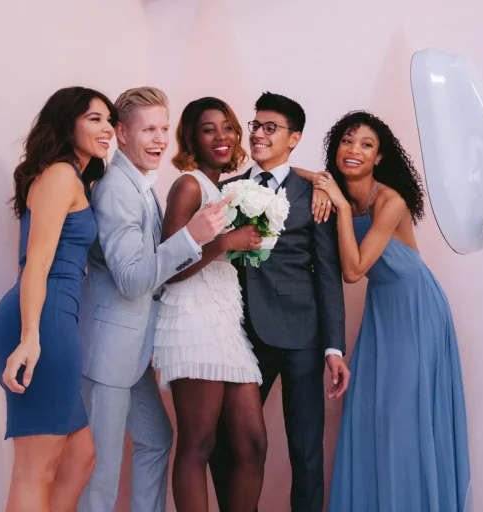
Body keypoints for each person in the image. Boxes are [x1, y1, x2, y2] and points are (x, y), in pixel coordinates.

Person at [312, 110, 472, 512]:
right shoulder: (338, 189)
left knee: (404, 416)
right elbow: (291, 172)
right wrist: (317, 183)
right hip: (382, 309)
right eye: (348, 141)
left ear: (379, 158)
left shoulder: (391, 201)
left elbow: (353, 271)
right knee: (372, 412)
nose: (355, 150)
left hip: (416, 308)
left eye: (367, 145)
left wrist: (343, 210)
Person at [77, 87, 228, 512]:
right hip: (107, 352)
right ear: (121, 132)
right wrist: (191, 238)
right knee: (100, 473)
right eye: (148, 129)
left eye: (164, 127)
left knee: (156, 439)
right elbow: (129, 279)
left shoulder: (140, 183)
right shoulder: (116, 190)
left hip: (134, 350)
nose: (160, 138)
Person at [209, 92, 350, 512]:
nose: (258, 134)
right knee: (224, 442)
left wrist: (333, 346)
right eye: (255, 126)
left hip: (301, 335)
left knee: (305, 448)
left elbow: (328, 273)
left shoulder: (314, 194)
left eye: (271, 128)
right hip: (239, 333)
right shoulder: (226, 188)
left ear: (294, 138)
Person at [0, 86, 116, 511]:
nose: (107, 128)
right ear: (66, 123)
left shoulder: (73, 177)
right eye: (95, 118)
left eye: (109, 120)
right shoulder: (60, 175)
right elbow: (36, 263)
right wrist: (30, 337)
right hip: (41, 324)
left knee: (80, 457)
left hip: (51, 318)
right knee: (33, 469)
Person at [152, 96, 268, 512]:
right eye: (207, 129)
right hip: (192, 320)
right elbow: (167, 268)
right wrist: (225, 243)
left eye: (227, 127)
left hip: (225, 321)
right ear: (191, 139)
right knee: (198, 444)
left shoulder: (226, 190)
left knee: (252, 443)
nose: (220, 136)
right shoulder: (188, 185)